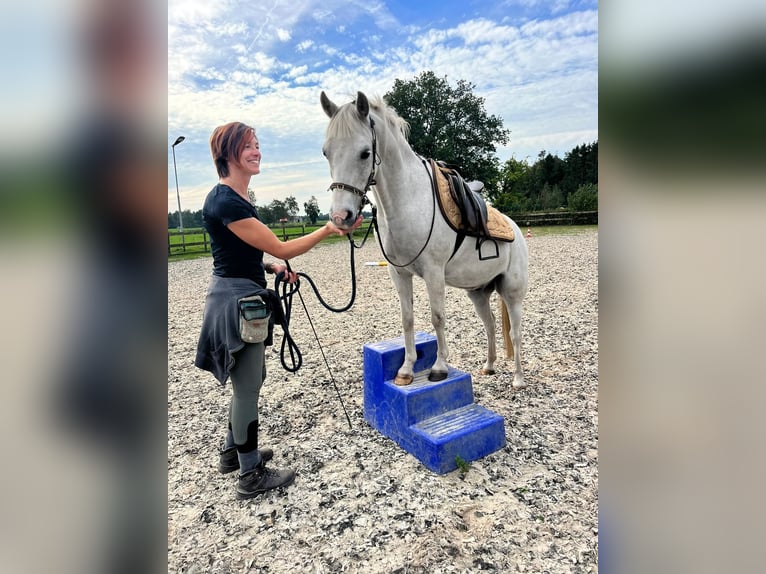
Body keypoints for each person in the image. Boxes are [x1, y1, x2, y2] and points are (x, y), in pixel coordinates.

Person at [195, 122, 361, 499]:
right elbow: (280, 246)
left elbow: (235, 254)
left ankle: (231, 453)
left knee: (247, 382)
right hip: (237, 303)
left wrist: (269, 268)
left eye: (257, 145)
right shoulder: (226, 201)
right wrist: (326, 231)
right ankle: (250, 474)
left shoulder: (236, 198)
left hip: (238, 291)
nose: (257, 151)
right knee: (248, 387)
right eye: (248, 146)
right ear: (228, 153)